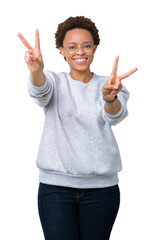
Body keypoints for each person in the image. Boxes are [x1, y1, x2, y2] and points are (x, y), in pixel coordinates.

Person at [17, 16, 137, 240]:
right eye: (71, 47)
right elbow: (40, 91)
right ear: (61, 50)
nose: (79, 52)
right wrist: (36, 71)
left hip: (102, 191)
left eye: (86, 46)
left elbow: (115, 116)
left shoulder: (111, 85)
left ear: (95, 48)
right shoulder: (54, 81)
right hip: (55, 189)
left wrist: (110, 98)